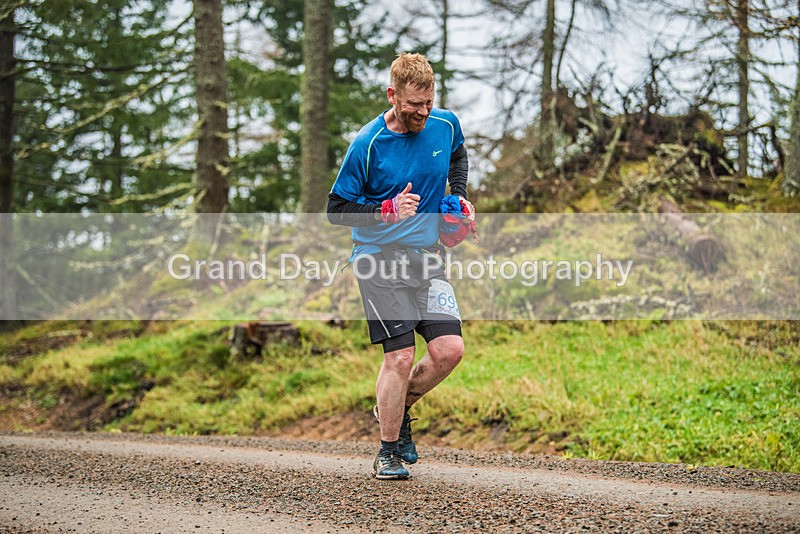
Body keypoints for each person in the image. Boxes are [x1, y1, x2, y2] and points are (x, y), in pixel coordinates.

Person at [327, 53, 474, 480]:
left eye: (429, 103)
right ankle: (388, 451)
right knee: (401, 355)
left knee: (449, 351)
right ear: (392, 95)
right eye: (413, 105)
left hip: (427, 257)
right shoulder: (368, 143)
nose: (423, 113)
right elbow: (335, 209)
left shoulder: (445, 124)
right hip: (377, 259)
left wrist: (457, 197)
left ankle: (394, 406)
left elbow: (457, 157)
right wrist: (384, 211)